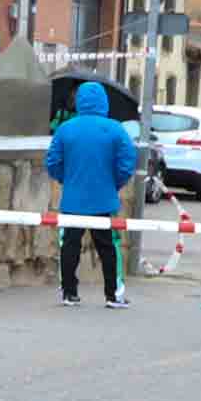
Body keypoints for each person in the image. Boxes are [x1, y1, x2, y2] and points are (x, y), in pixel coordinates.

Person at [47, 79, 137, 309]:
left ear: (79, 102)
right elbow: (127, 163)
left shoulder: (65, 129)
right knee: (108, 247)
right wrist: (114, 183)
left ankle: (69, 292)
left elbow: (53, 162)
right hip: (104, 198)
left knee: (70, 245)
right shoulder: (115, 129)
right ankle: (112, 294)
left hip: (73, 198)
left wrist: (65, 179)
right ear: (104, 102)